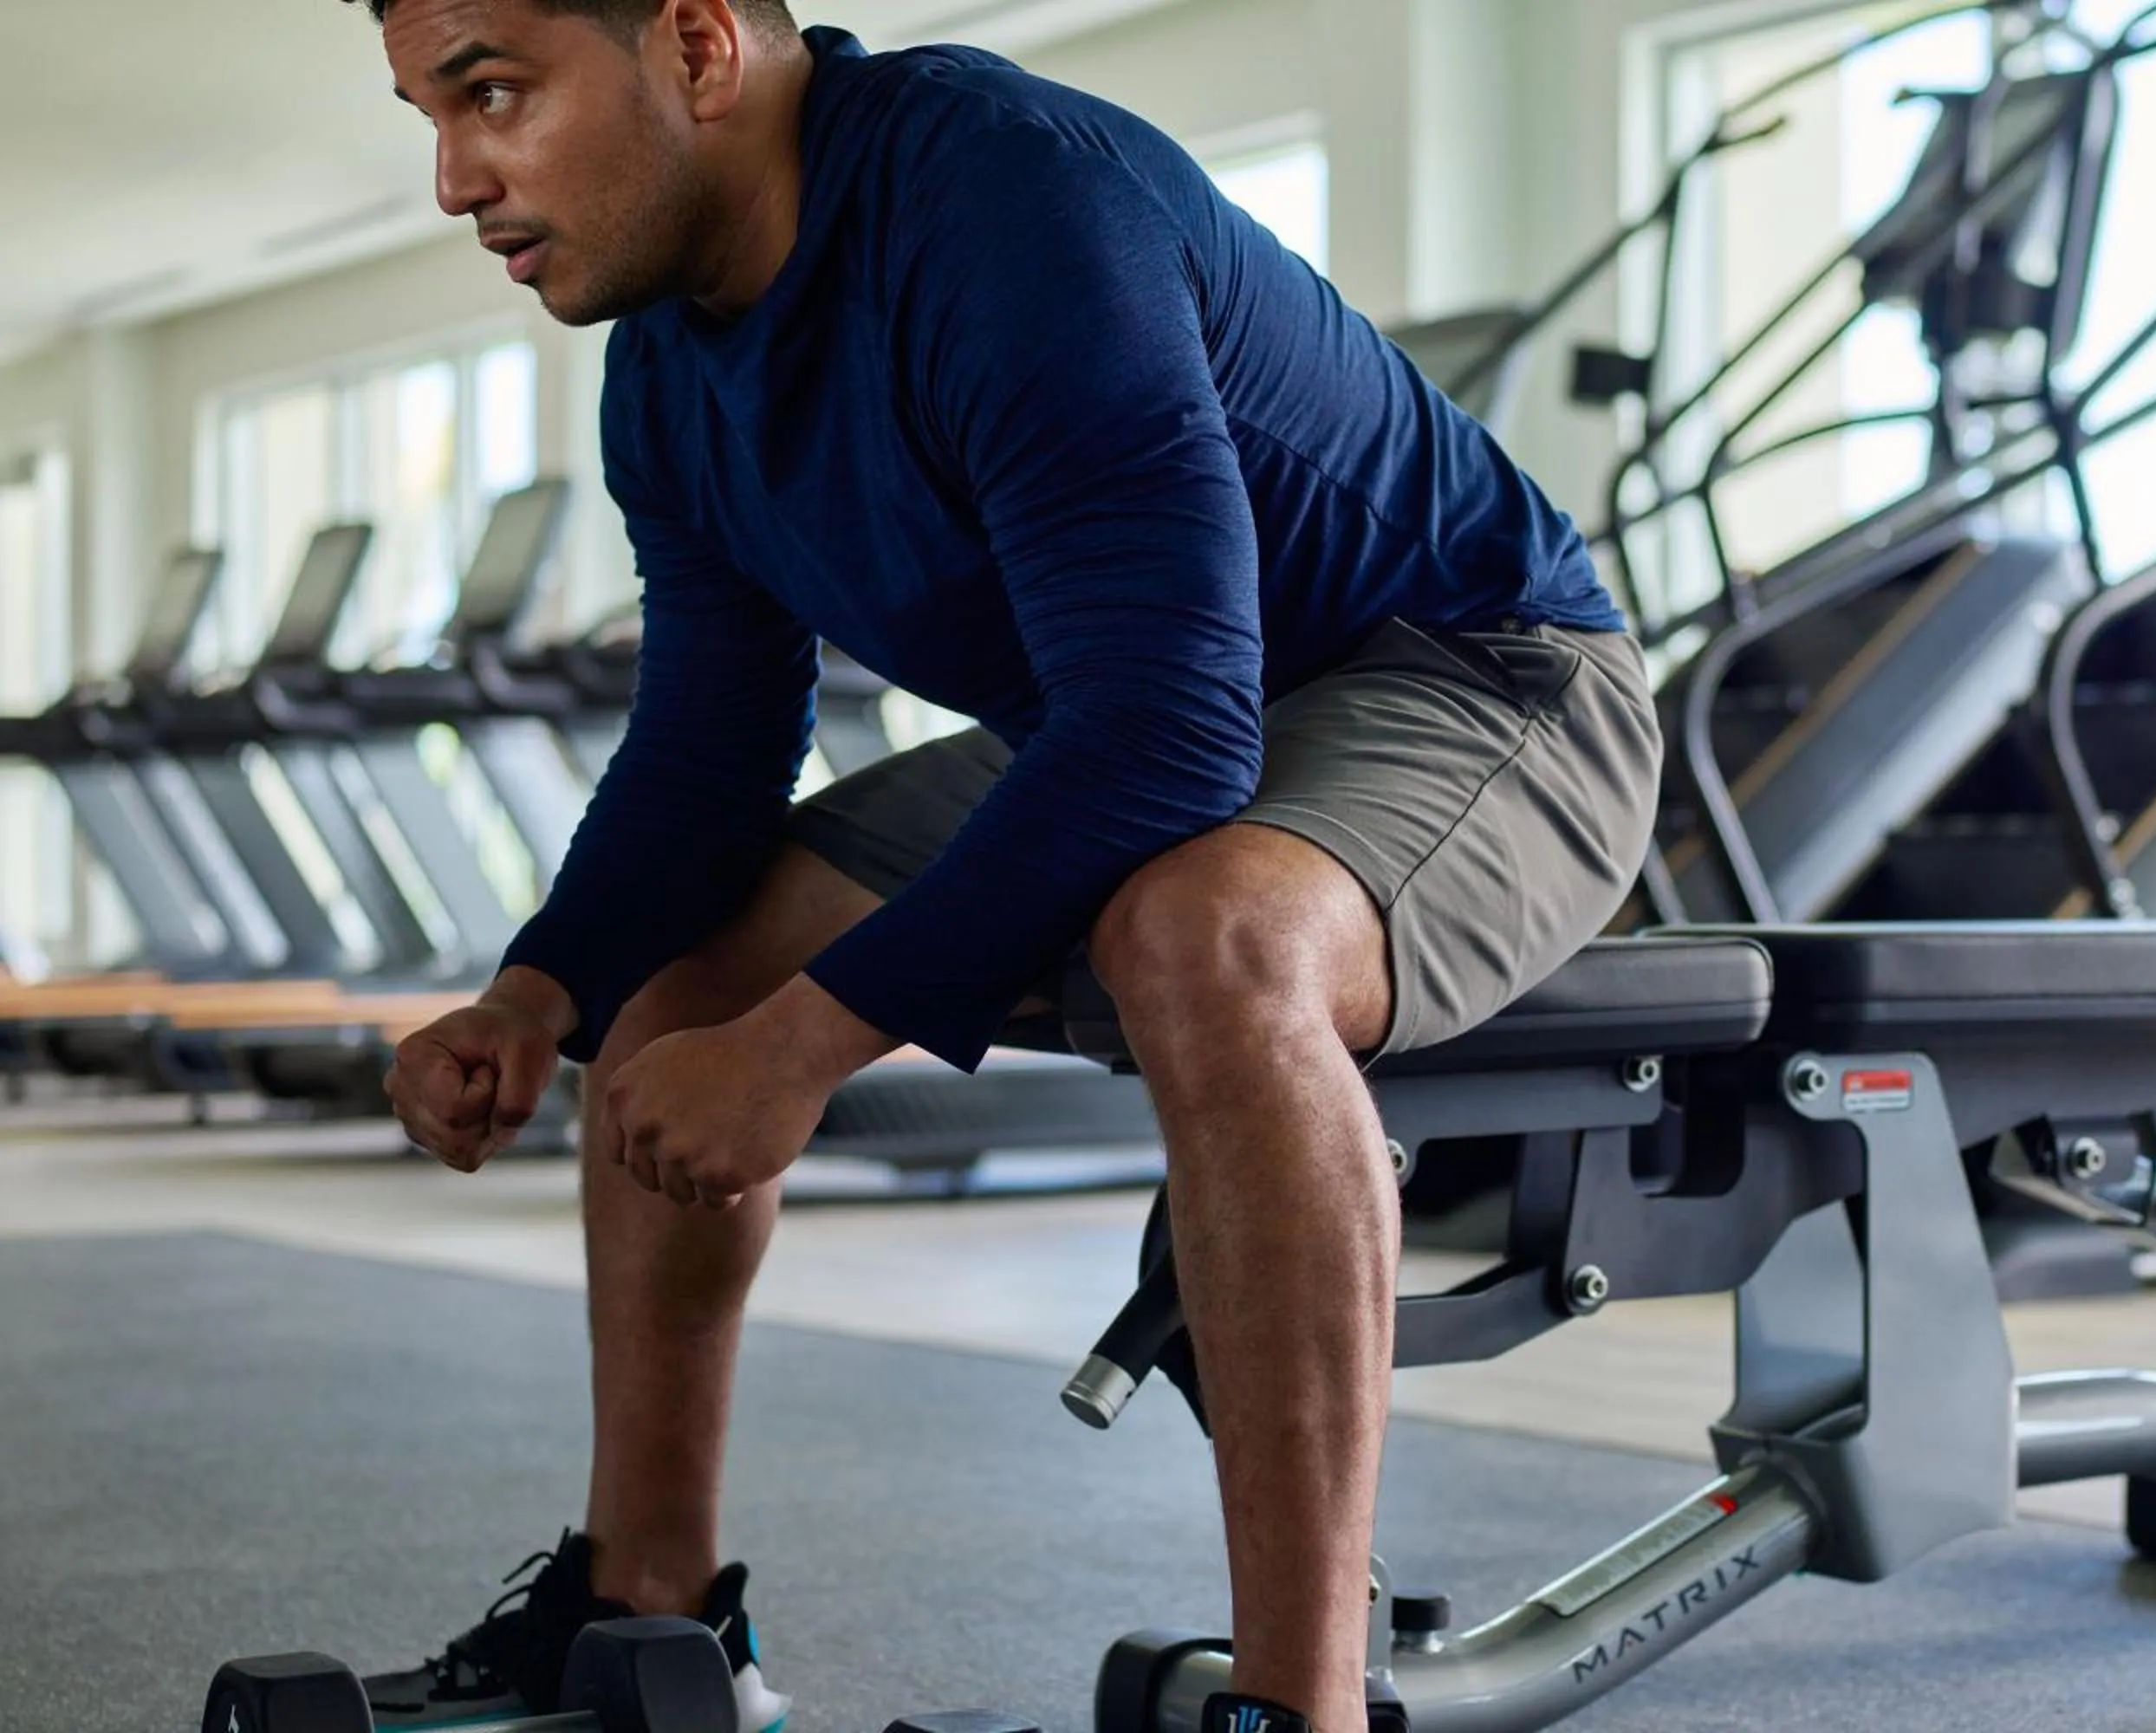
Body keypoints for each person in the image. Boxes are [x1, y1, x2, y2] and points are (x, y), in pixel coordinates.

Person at [359, 2, 1661, 1730]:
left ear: (696, 46)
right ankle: (647, 1619)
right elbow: (706, 756)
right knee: (685, 983)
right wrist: (533, 997)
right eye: (430, 119)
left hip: (1478, 678)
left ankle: (1298, 1708)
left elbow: (1168, 737)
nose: (457, 180)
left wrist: (805, 1048)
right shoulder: (665, 369)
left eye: (494, 95)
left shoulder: (1006, 201)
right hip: (1154, 706)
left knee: (1204, 936)